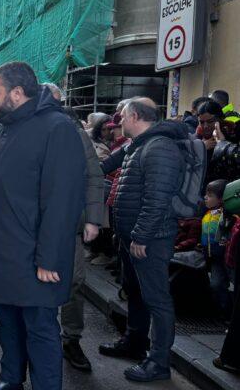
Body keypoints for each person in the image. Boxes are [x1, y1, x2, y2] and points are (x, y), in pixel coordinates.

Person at [0, 62, 85, 390]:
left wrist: (48, 258)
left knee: (39, 327)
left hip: (35, 255)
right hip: (1, 250)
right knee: (7, 320)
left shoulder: (57, 128)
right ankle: (11, 377)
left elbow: (62, 201)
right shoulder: (2, 129)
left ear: (17, 93)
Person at [98, 97, 184, 382]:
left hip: (149, 239)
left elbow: (156, 200)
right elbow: (104, 167)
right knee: (136, 292)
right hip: (133, 237)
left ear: (135, 116)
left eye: (122, 116)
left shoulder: (160, 148)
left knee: (157, 300)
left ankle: (159, 362)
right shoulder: (139, 145)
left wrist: (141, 236)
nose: (118, 121)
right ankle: (135, 342)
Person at [45, 83, 104, 372]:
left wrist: (93, 219)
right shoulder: (26, 130)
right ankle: (41, 338)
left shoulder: (76, 133)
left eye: (57, 100)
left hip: (70, 225)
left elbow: (94, 175)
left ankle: (71, 339)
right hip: (34, 225)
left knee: (73, 282)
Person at [199, 179, 232, 320]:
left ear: (221, 199)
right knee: (216, 285)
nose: (205, 197)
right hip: (215, 258)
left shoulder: (228, 216)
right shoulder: (207, 215)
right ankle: (224, 312)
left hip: (227, 257)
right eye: (206, 194)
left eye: (210, 195)